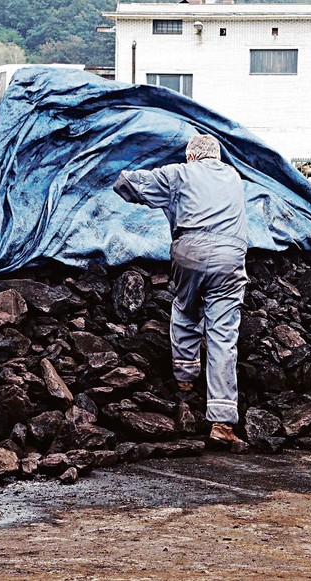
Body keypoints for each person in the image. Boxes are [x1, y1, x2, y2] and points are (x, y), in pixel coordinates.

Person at [112, 135, 248, 445]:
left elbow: (130, 184)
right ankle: (222, 423)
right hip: (231, 256)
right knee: (223, 335)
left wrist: (116, 173)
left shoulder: (181, 173)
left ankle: (185, 380)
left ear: (191, 158)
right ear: (217, 157)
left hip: (191, 251)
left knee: (186, 310)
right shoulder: (233, 176)